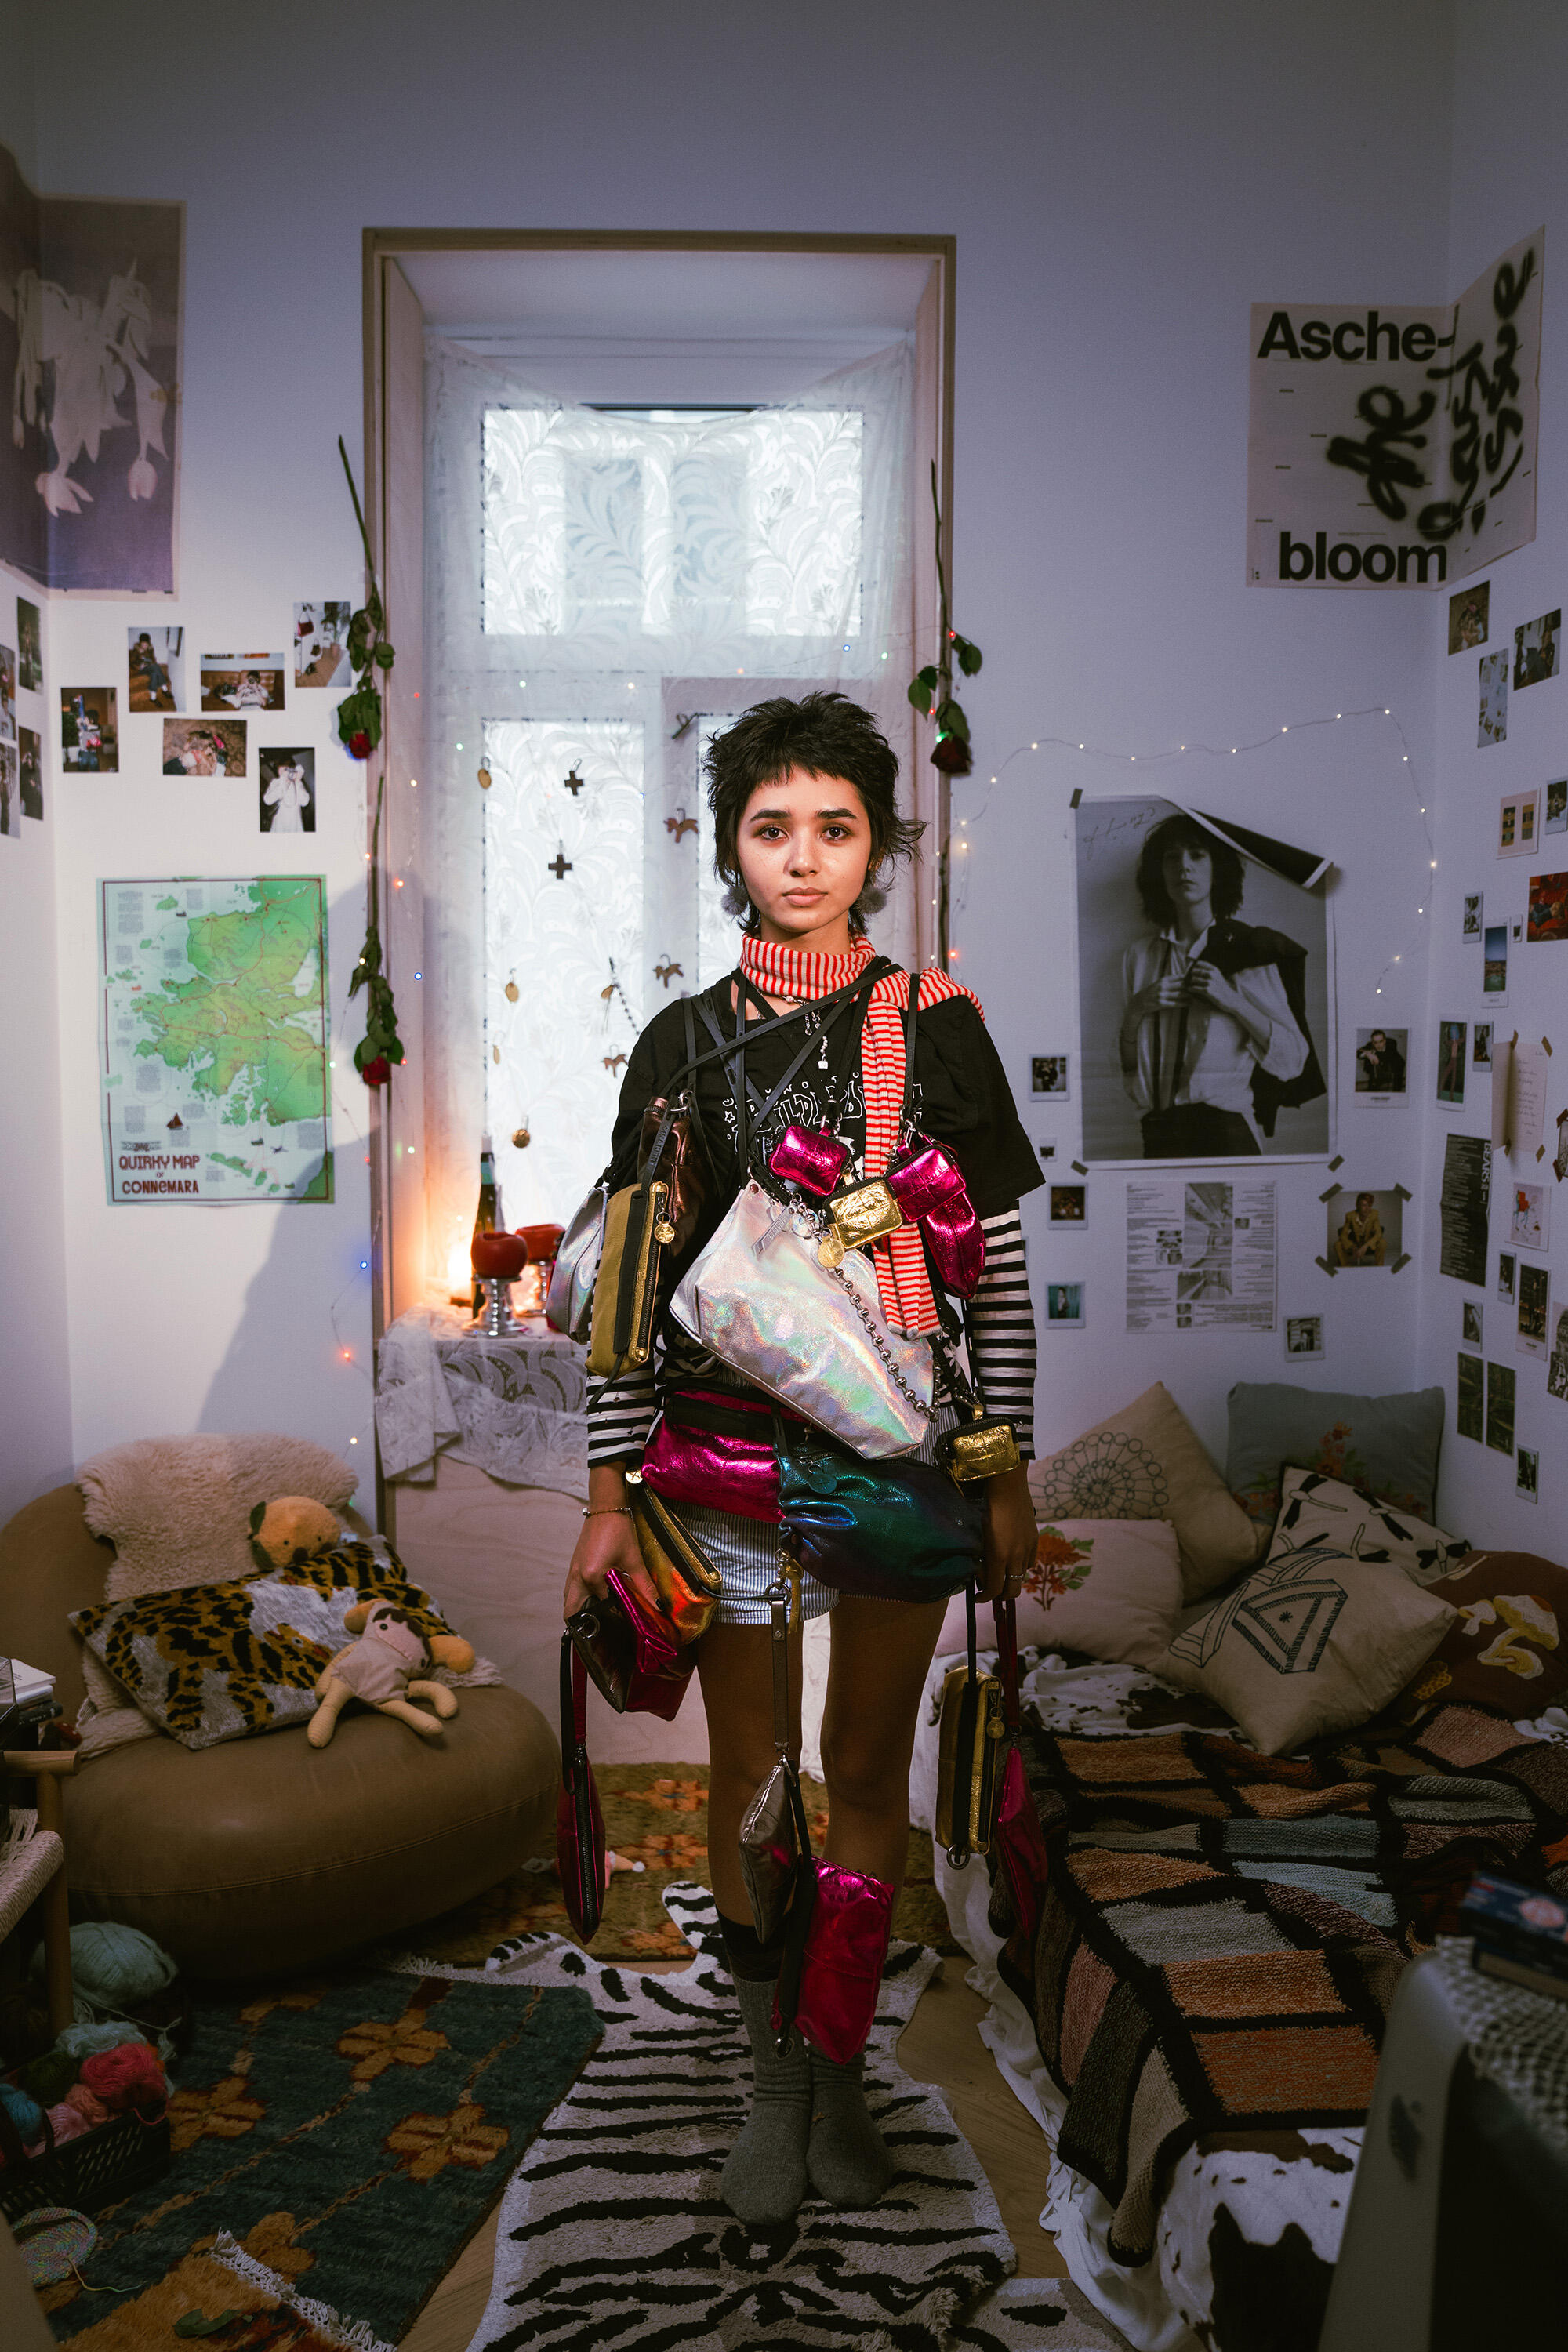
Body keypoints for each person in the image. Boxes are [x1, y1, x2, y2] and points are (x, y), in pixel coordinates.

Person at [566, 692, 1041, 2227]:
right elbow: (629, 1286)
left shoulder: (937, 1025)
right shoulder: (679, 1042)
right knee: (754, 1777)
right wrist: (602, 1493)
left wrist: (1007, 1468)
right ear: (728, 851)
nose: (803, 858)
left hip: (901, 1460)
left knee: (861, 1773)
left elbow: (998, 1271)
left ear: (879, 845)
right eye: (771, 829)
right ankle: (774, 2069)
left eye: (834, 828)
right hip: (718, 1457)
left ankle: (835, 2062)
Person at [1119, 815, 1319, 1157]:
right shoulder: (1139, 957)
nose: (1183, 867)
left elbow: (1293, 1062)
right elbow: (1125, 1071)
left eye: (1197, 855)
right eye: (1172, 857)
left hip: (1228, 1137)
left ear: (1218, 869)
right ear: (1158, 871)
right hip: (1158, 1136)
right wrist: (1137, 1009)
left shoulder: (1247, 951)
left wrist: (1232, 1001)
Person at [1335, 1191, 1385, 1266]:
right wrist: (1353, 1247)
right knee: (1337, 1244)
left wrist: (1366, 1246)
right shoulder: (1350, 1216)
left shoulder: (1375, 1214)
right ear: (1358, 1206)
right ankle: (1345, 1267)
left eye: (1369, 1205)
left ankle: (1379, 1267)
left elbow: (1378, 1234)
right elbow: (1343, 1235)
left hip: (1368, 1241)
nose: (1367, 1209)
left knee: (1382, 1242)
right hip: (1354, 1242)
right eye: (1364, 1205)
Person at [263, 758, 310, 832]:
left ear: (290, 770)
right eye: (279, 770)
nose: (282, 773)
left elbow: (305, 802)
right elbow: (267, 800)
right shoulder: (275, 782)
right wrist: (283, 784)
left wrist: (297, 782)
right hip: (279, 823)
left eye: (284, 770)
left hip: (295, 823)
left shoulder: (297, 782)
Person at [1356, 1029, 1406, 1094]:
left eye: (1381, 1041)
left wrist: (1374, 1054)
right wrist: (1367, 1054)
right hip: (1377, 1066)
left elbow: (1388, 1056)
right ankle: (1372, 1089)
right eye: (1375, 1042)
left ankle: (1397, 1092)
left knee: (1399, 1065)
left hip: (1394, 1063)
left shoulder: (1392, 1043)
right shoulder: (1370, 1045)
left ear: (1385, 1041)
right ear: (1372, 1042)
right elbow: (1357, 1053)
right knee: (1372, 1067)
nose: (1379, 1045)